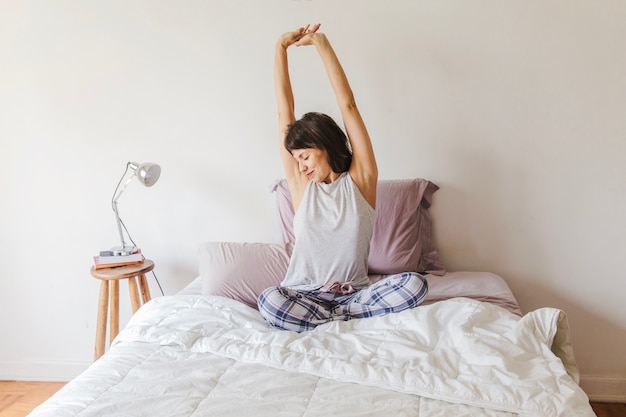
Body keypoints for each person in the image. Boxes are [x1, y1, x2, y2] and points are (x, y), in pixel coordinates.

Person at [257, 24, 428, 332]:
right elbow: (284, 114)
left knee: (415, 284)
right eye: (296, 160)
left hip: (354, 295)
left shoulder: (361, 180)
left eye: (305, 156)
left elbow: (348, 106)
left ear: (325, 146)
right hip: (303, 294)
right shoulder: (302, 187)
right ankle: (341, 321)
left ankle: (333, 320)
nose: (300, 167)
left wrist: (322, 44)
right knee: (269, 300)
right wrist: (280, 49)